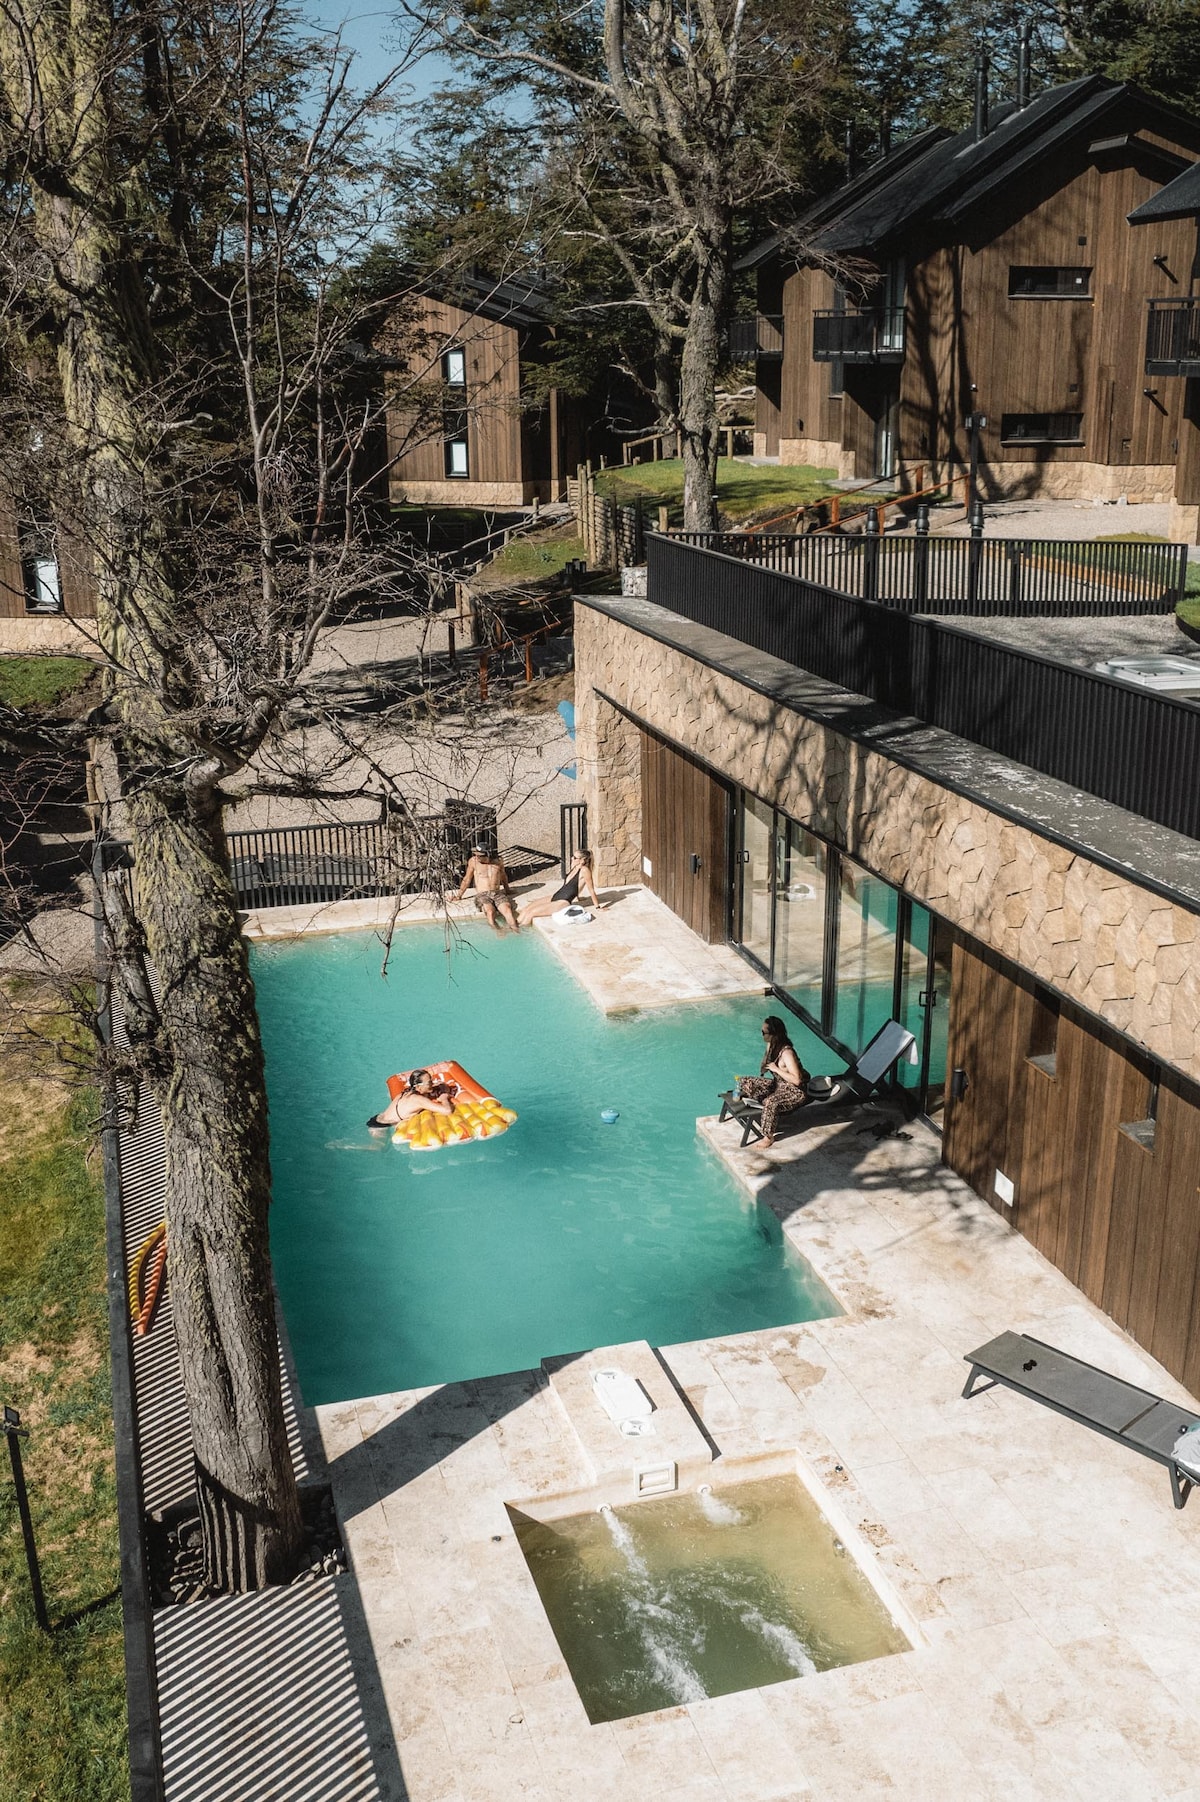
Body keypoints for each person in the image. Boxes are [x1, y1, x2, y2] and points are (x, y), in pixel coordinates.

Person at [735, 1015, 810, 1147]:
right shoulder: (771, 1045)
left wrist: (777, 1069)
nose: (762, 1035)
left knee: (770, 1102)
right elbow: (765, 1065)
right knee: (744, 1080)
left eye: (764, 1032)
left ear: (774, 1034)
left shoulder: (787, 1053)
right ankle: (761, 1100)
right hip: (778, 1085)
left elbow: (797, 1080)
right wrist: (764, 1065)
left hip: (795, 1091)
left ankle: (768, 1136)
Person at [519, 847, 605, 925]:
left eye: (575, 858)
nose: (572, 858)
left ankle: (520, 932)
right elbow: (575, 885)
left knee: (531, 913)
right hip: (556, 895)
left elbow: (591, 890)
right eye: (572, 856)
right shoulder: (574, 867)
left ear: (582, 860)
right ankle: (513, 926)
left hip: (563, 902)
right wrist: (579, 897)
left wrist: (597, 907)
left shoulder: (585, 871)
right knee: (526, 909)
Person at [455, 842, 519, 933]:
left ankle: (516, 931)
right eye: (476, 855)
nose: (477, 857)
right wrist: (459, 895)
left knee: (507, 909)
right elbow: (467, 879)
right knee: (490, 911)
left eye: (480, 855)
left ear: (488, 855)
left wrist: (507, 889)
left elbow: (503, 876)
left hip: (497, 893)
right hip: (482, 895)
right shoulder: (473, 862)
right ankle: (498, 932)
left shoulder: (498, 861)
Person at [367, 1069, 457, 1132]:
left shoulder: (406, 1092)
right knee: (381, 1148)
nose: (432, 1083)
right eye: (429, 1082)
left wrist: (434, 1086)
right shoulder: (418, 1099)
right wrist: (444, 1098)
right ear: (418, 1086)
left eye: (431, 1081)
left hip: (377, 1118)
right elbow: (447, 1111)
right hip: (381, 1126)